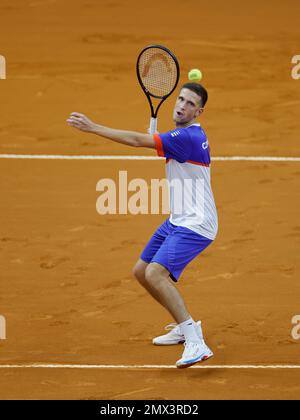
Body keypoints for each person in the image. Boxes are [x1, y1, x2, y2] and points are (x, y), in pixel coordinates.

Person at [67, 82, 218, 368]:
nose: (182, 106)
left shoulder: (185, 137)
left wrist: (93, 127)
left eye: (189, 104)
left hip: (196, 223)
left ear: (199, 112)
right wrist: (156, 139)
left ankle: (196, 341)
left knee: (155, 274)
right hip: (179, 218)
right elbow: (158, 144)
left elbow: (139, 141)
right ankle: (185, 326)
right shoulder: (185, 136)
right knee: (141, 271)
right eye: (181, 99)